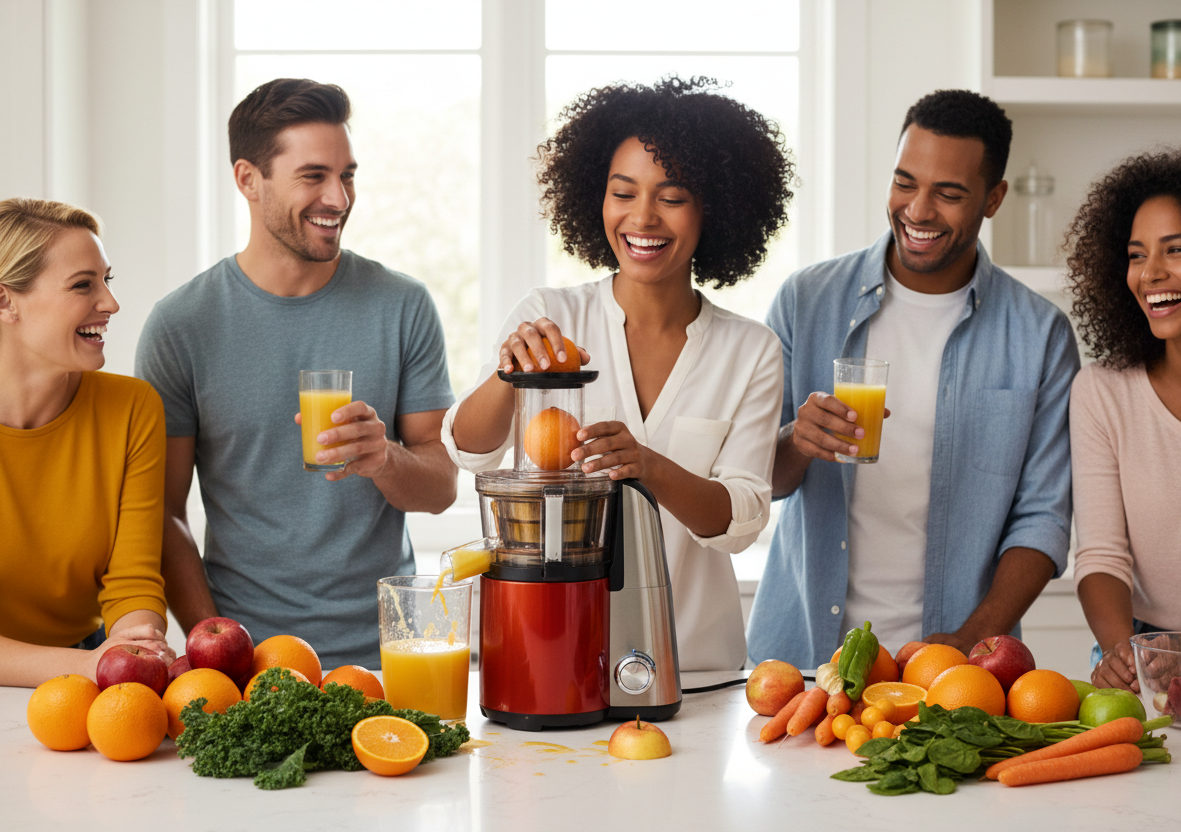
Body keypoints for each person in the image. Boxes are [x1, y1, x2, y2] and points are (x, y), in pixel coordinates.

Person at [442, 77, 795, 670]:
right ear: (595, 199)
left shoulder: (751, 350)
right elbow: (468, 450)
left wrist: (649, 465)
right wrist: (511, 372)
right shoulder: (551, 316)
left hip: (696, 664)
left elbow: (739, 521)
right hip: (555, 652)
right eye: (622, 192)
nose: (643, 218)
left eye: (673, 197)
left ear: (717, 208)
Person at [748, 89, 1081, 668]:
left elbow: (1043, 519)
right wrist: (796, 442)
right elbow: (755, 485)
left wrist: (970, 640)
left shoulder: (1040, 335)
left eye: (949, 194)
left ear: (994, 198)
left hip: (957, 669)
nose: (919, 210)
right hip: (799, 660)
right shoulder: (806, 301)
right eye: (905, 183)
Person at [136, 79, 457, 669]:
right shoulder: (182, 325)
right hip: (249, 660)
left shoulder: (403, 305)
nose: (338, 197)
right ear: (247, 180)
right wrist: (215, 644)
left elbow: (441, 487)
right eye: (314, 176)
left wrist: (384, 457)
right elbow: (163, 513)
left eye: (348, 175)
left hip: (391, 656)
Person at [1066, 148, 1181, 692]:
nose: (1151, 274)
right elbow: (1100, 552)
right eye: (1136, 254)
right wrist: (1129, 655)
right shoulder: (1102, 393)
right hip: (1140, 650)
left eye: (1178, 250)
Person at [0, 198, 173, 687]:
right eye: (83, 285)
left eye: (106, 281)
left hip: (87, 666)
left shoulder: (132, 408)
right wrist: (91, 665)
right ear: (5, 300)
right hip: (75, 668)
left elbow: (133, 579)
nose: (111, 303)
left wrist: (137, 644)